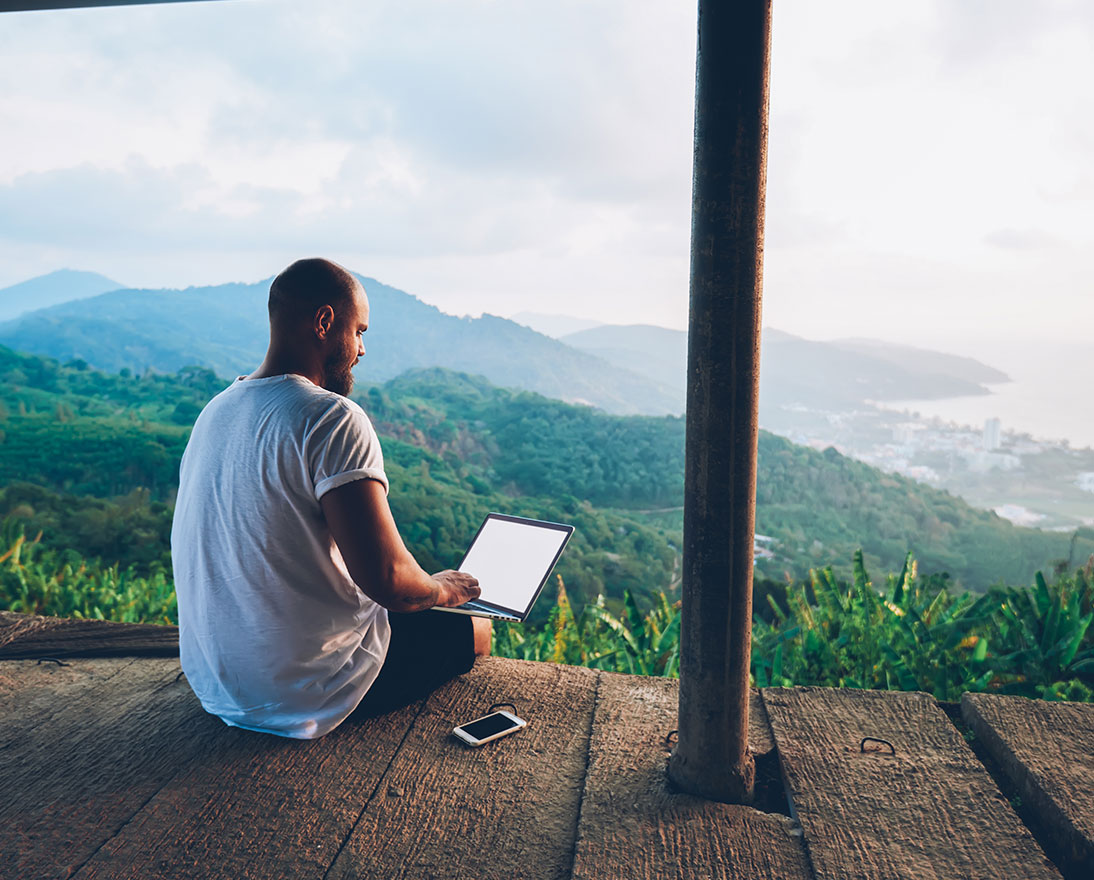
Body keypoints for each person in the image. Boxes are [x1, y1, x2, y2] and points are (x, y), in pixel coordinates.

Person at [171, 257, 490, 739]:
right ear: (324, 322)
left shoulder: (217, 410)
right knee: (477, 630)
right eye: (359, 331)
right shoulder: (331, 417)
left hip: (217, 684)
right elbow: (388, 580)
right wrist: (445, 589)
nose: (361, 349)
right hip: (301, 692)